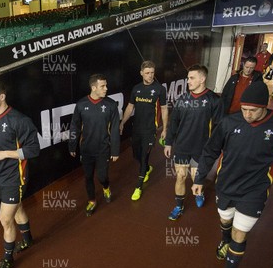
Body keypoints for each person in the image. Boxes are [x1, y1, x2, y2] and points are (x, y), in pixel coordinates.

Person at [191, 81, 273, 268]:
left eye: (253, 110)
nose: (248, 114)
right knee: (225, 220)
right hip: (226, 186)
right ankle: (224, 240)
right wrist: (200, 178)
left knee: (240, 236)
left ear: (265, 106)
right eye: (244, 109)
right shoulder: (229, 122)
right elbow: (211, 150)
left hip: (254, 191)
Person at [0, 78, 41, 268]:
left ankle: (7, 259)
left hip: (15, 177)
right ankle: (28, 238)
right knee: (18, 209)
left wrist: (4, 153)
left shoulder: (19, 120)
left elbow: (33, 150)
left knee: (5, 219)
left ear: (2, 96)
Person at [163, 64, 221, 220]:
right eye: (188, 78)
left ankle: (199, 191)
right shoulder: (182, 99)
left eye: (191, 78)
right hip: (182, 146)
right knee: (180, 177)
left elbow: (220, 127)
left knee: (197, 177)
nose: (188, 81)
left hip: (201, 148)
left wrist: (216, 147)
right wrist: (168, 142)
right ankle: (179, 206)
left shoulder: (214, 100)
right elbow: (173, 123)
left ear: (202, 79)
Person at [69, 74, 120, 216]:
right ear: (93, 88)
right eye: (102, 86)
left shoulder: (110, 105)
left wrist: (115, 150)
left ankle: (106, 187)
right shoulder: (81, 105)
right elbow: (75, 127)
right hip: (86, 149)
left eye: (106, 85)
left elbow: (115, 129)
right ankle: (92, 201)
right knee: (88, 177)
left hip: (104, 148)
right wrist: (72, 146)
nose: (106, 88)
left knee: (102, 176)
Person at [119, 60, 168, 200]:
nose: (150, 75)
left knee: (144, 156)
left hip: (150, 130)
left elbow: (164, 109)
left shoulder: (160, 89)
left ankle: (138, 187)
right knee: (136, 155)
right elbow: (130, 107)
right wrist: (123, 122)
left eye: (152, 73)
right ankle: (147, 168)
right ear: (141, 73)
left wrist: (164, 129)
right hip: (137, 129)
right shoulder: (136, 89)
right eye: (147, 73)